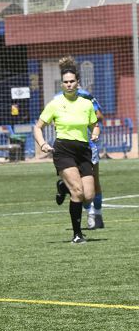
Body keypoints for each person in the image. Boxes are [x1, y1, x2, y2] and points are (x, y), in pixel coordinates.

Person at [34, 61, 99, 244]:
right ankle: (77, 234)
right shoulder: (55, 104)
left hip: (84, 151)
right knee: (77, 192)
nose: (69, 84)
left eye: (72, 81)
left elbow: (95, 125)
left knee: (88, 195)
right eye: (65, 82)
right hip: (64, 150)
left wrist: (95, 133)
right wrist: (43, 143)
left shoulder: (86, 104)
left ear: (78, 82)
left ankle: (63, 186)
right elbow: (38, 127)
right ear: (62, 84)